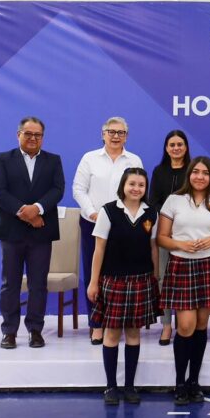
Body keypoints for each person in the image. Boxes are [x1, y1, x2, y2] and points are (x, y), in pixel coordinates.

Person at [157, 156, 210, 405]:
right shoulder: (174, 201)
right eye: (196, 172)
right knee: (186, 326)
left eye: (205, 173)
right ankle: (180, 382)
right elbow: (162, 238)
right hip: (182, 265)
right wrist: (180, 244)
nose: (200, 176)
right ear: (189, 174)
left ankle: (194, 381)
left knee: (201, 325)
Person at [0, 117, 65, 349]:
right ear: (18, 134)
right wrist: (25, 212)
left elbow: (57, 189)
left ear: (43, 137)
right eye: (28, 134)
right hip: (11, 230)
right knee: (10, 283)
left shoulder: (53, 160)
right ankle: (9, 331)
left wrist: (38, 209)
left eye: (38, 135)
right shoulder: (4, 159)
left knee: (38, 284)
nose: (33, 138)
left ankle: (35, 330)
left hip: (41, 232)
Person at [87, 168, 160, 405]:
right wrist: (93, 281)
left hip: (141, 280)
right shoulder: (109, 211)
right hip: (113, 281)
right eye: (132, 184)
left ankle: (130, 386)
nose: (136, 189)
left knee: (133, 332)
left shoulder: (151, 214)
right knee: (112, 332)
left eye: (141, 185)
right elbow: (99, 249)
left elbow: (153, 248)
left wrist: (155, 276)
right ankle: (111, 387)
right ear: (123, 185)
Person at [73, 116, 143, 345]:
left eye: (120, 132)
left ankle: (117, 320)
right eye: (111, 131)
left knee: (119, 274)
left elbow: (137, 190)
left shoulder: (133, 160)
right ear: (103, 134)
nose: (115, 136)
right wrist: (93, 213)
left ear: (127, 136)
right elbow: (79, 189)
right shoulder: (90, 158)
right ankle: (97, 325)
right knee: (95, 273)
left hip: (124, 228)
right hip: (93, 223)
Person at [149, 130, 191, 346]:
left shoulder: (193, 170)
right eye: (172, 145)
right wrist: (168, 218)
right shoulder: (159, 171)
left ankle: (187, 323)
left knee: (188, 279)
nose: (176, 148)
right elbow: (153, 200)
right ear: (166, 148)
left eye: (180, 144)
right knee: (164, 278)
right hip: (164, 231)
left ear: (186, 147)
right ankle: (166, 325)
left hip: (189, 232)